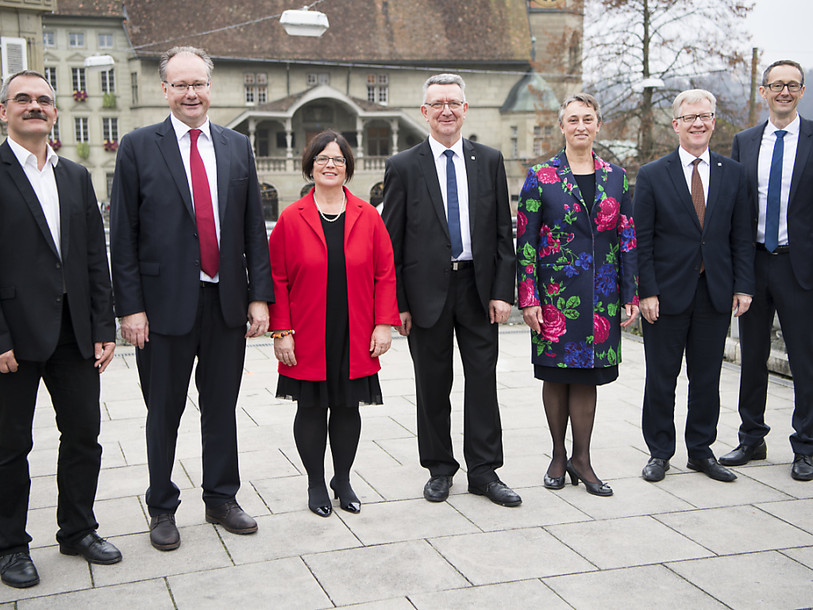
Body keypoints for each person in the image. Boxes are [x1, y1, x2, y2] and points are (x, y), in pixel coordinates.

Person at [109, 46, 274, 551]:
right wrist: (130, 308)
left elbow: (251, 230)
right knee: (164, 410)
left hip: (225, 302)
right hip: (161, 309)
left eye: (198, 83)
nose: (190, 93)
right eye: (180, 85)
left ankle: (222, 498)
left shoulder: (236, 146)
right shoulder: (138, 147)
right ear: (165, 90)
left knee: (221, 406)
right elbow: (124, 234)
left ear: (210, 86)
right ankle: (161, 506)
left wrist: (259, 297)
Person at [0, 70, 121, 588]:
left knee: (84, 436)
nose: (35, 106)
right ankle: (8, 546)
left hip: (74, 332)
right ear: (3, 111)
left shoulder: (74, 176)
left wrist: (103, 324)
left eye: (44, 100)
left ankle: (77, 529)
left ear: (55, 112)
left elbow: (95, 257)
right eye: (22, 99)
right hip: (13, 336)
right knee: (9, 447)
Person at [382, 74, 520, 507]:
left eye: (454, 103)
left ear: (465, 110)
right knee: (432, 384)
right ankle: (439, 468)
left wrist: (503, 291)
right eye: (437, 103)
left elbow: (503, 233)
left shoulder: (490, 160)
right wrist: (397, 304)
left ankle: (484, 471)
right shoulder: (404, 165)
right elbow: (392, 241)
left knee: (483, 382)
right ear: (424, 112)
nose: (446, 110)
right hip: (425, 295)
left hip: (478, 290)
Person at [268, 131, 400, 517]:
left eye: (338, 160)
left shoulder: (367, 216)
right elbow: (276, 278)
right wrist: (282, 331)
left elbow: (385, 273)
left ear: (348, 168)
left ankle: (342, 480)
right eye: (323, 159)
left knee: (347, 409)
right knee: (310, 410)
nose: (330, 165)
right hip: (306, 333)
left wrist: (383, 324)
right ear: (310, 166)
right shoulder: (292, 218)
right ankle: (315, 482)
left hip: (355, 331)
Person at [516, 93, 638, 497]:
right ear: (562, 127)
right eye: (573, 120)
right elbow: (526, 240)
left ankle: (581, 459)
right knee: (556, 376)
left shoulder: (617, 177)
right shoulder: (541, 176)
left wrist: (630, 294)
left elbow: (628, 239)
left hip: (601, 295)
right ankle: (556, 454)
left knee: (587, 377)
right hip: (555, 297)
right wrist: (528, 296)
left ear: (598, 125)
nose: (581, 125)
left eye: (588, 118)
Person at [635, 89, 754, 483]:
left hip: (716, 291)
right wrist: (646, 291)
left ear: (714, 122)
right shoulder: (653, 175)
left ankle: (701, 451)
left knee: (707, 378)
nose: (698, 123)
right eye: (690, 118)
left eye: (705, 116)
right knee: (661, 377)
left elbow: (741, 235)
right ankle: (659, 453)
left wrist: (744, 286)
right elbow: (643, 239)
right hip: (665, 296)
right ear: (676, 125)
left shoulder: (733, 173)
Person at [719, 60, 813, 482]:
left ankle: (807, 446)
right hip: (754, 265)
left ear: (802, 91)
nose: (784, 92)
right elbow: (739, 211)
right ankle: (752, 437)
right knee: (752, 357)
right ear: (763, 91)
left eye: (792, 85)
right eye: (777, 85)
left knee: (805, 361)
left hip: (800, 267)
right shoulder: (744, 141)